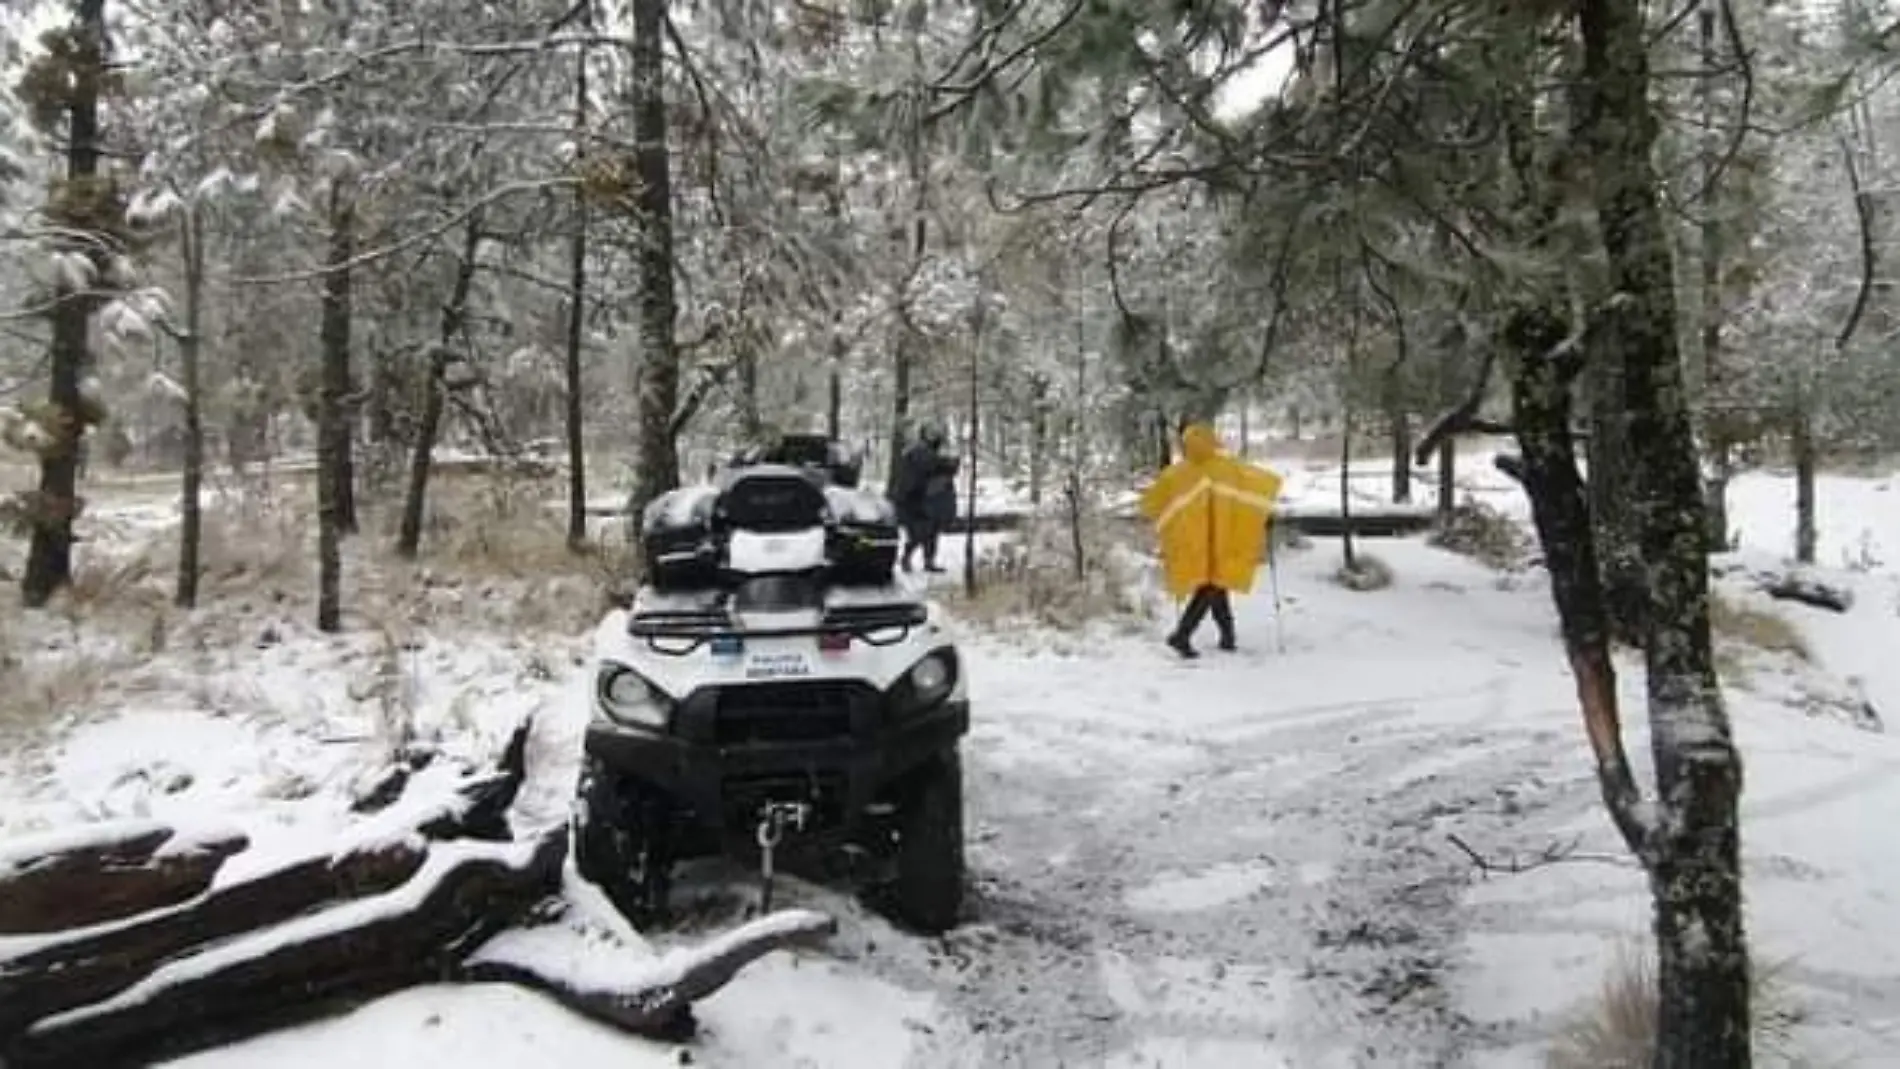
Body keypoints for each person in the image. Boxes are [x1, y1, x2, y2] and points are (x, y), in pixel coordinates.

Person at [1138, 422, 1283, 658]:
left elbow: (1154, 502)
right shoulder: (1228, 468)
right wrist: (1263, 513)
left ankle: (1227, 637)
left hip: (1196, 543)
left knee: (1216, 584)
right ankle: (1182, 635)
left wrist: (1170, 527)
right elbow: (1252, 490)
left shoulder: (1178, 473)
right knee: (1212, 585)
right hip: (1221, 539)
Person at [893, 423, 959, 573]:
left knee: (931, 532)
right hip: (914, 500)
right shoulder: (918, 452)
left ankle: (928, 561)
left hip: (928, 500)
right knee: (920, 532)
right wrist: (946, 465)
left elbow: (938, 468)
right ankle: (906, 559)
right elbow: (928, 468)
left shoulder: (927, 453)